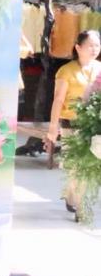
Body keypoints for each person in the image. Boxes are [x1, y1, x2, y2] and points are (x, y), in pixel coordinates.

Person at [47, 29, 101, 217]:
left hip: (94, 126)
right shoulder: (66, 71)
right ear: (78, 47)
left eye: (97, 45)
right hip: (71, 125)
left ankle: (81, 206)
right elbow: (58, 100)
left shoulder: (100, 69)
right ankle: (73, 198)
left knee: (89, 165)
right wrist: (53, 127)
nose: (94, 49)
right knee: (74, 167)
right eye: (90, 45)